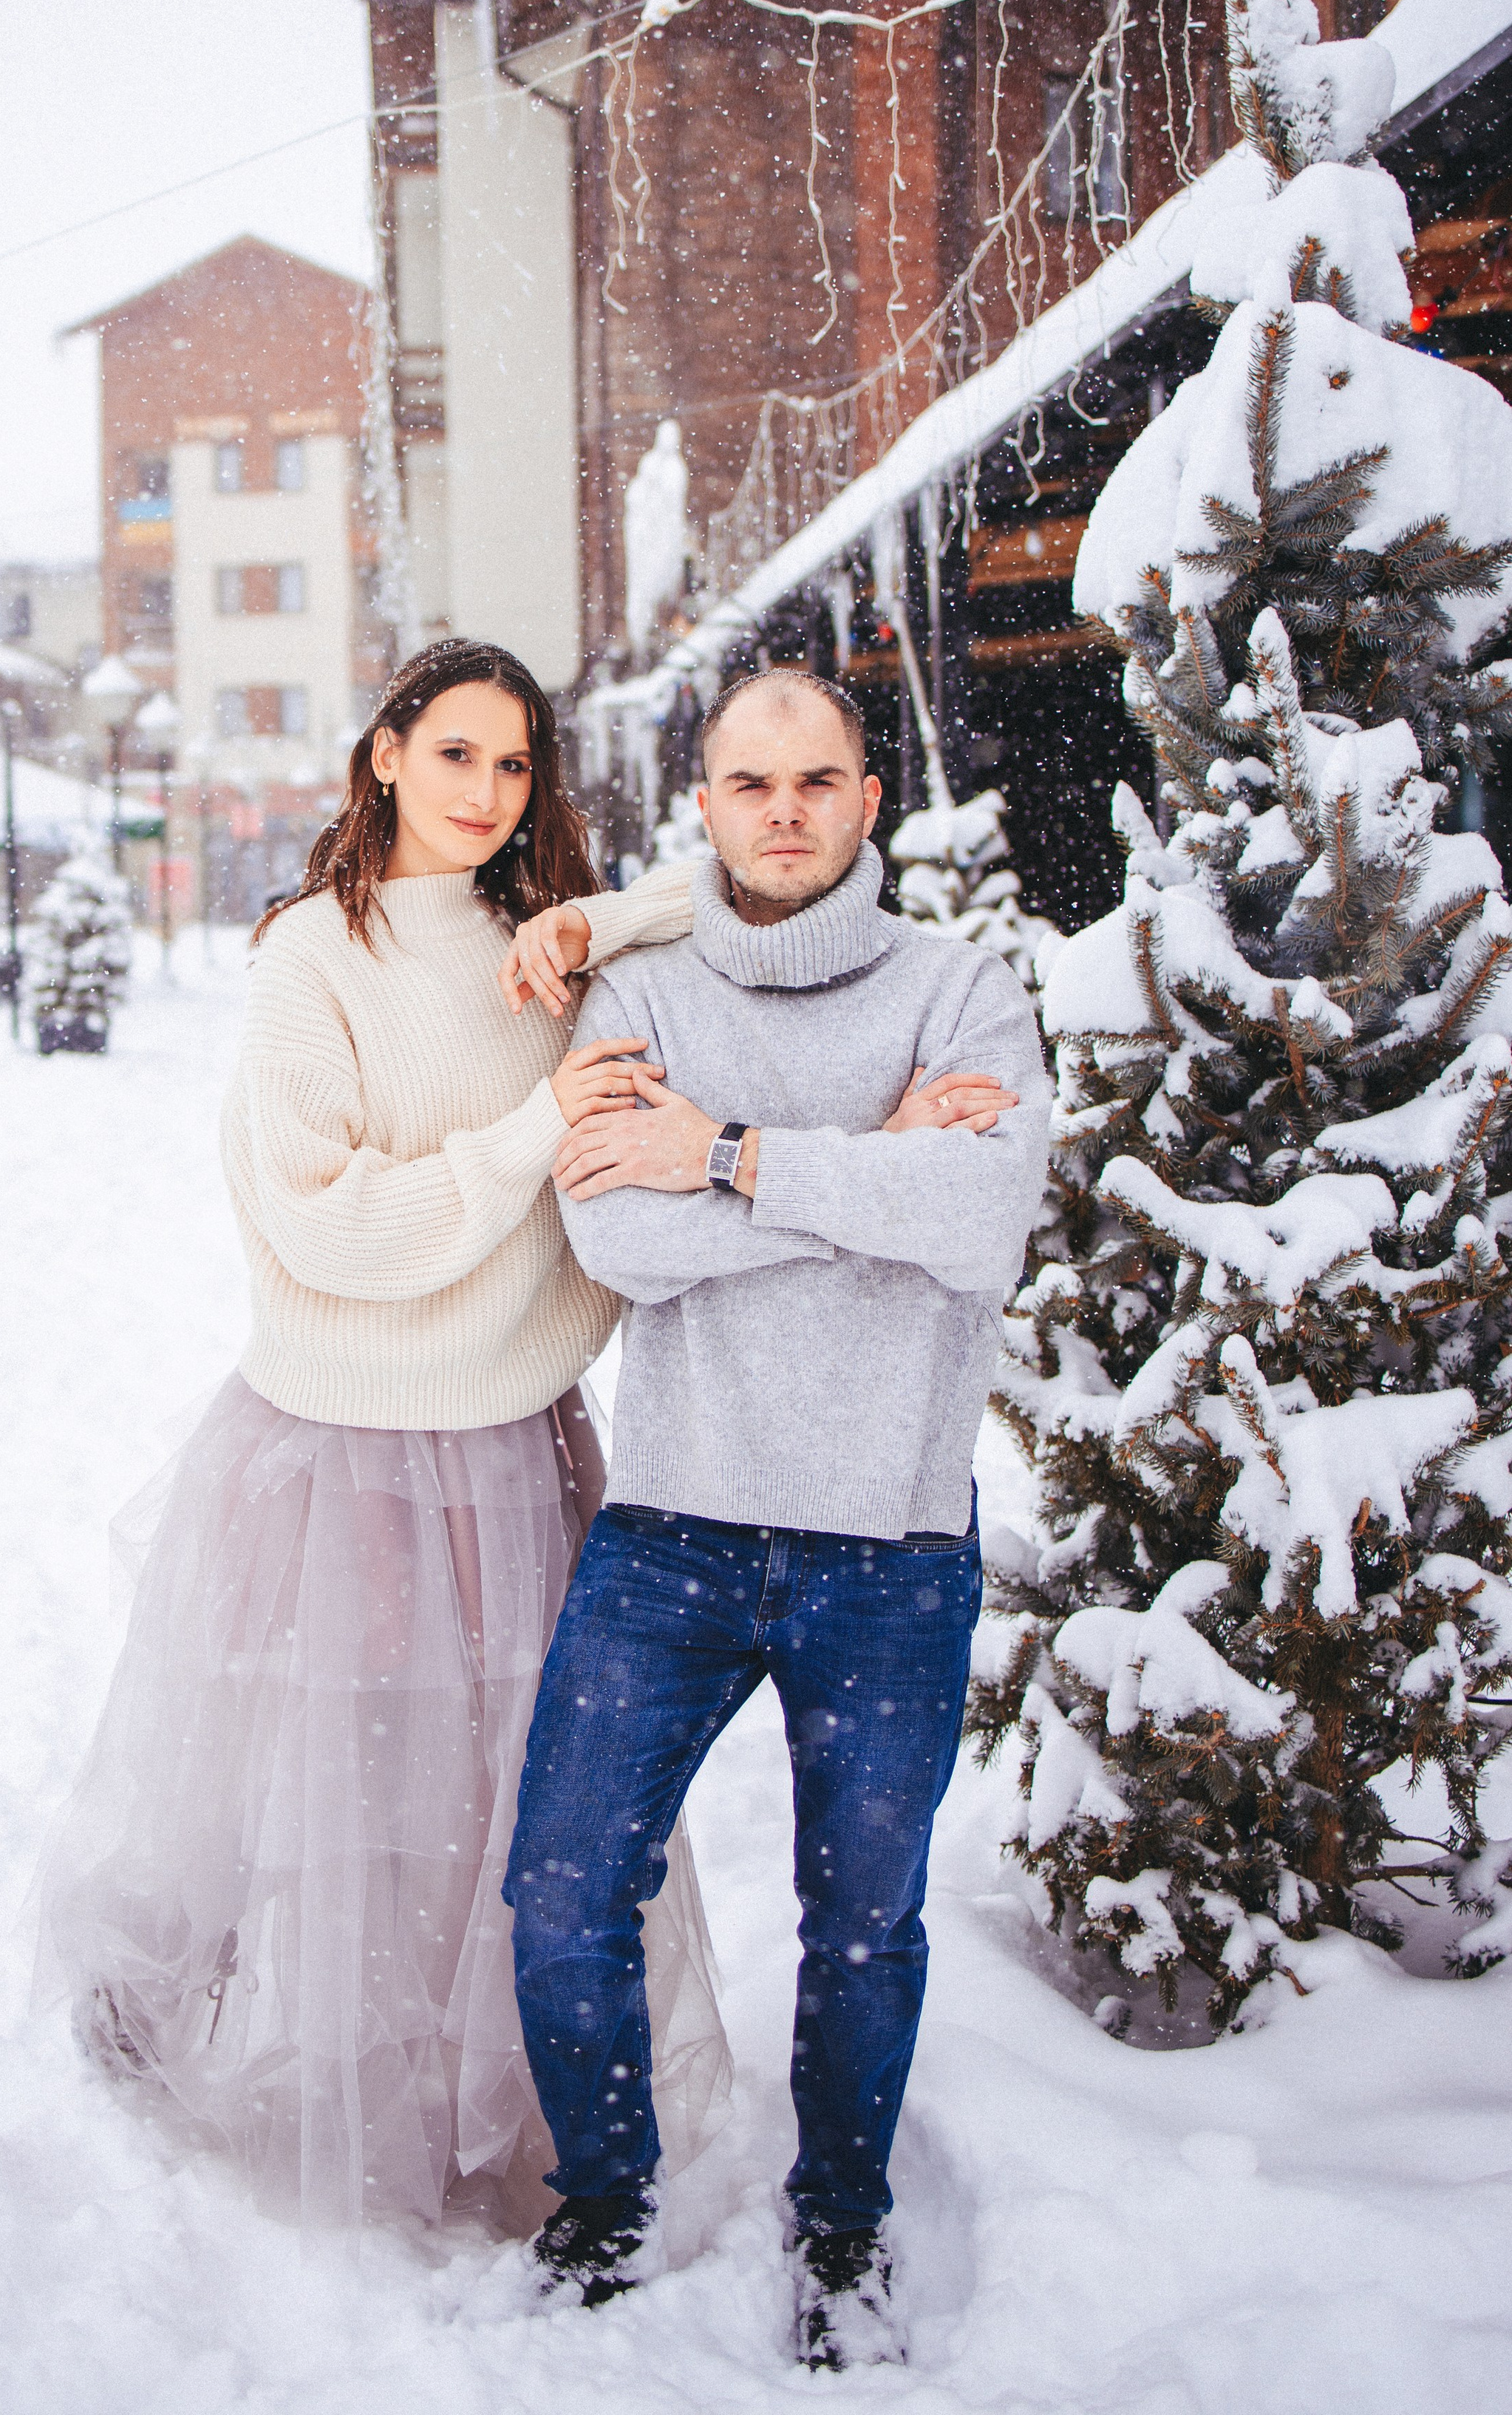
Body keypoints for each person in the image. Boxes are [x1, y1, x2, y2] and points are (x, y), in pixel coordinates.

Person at [35, 636, 729, 2234]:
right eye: (456, 755)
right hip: (351, 1454)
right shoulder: (309, 960)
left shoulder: (530, 936)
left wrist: (587, 917)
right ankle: (296, 2071)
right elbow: (333, 1228)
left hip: (524, 1447)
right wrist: (541, 1126)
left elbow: (752, 889)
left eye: (515, 765)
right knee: (351, 1802)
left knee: (513, 1822)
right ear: (383, 757)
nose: (487, 794)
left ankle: (494, 2103)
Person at [503, 666, 1049, 2365]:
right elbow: (616, 1244)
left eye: (817, 781)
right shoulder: (641, 997)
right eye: (752, 785)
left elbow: (981, 1224)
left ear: (867, 799)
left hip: (886, 1546)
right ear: (707, 806)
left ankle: (843, 2224)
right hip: (671, 1530)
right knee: (558, 1886)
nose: (786, 812)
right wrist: (863, 1170)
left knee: (861, 1925)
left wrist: (731, 1155)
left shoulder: (962, 991)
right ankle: (606, 2190)